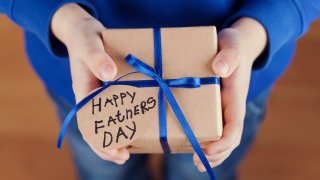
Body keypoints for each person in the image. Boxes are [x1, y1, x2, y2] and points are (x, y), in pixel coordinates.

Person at [1, 1, 319, 179]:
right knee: (104, 171)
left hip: (231, 81)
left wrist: (260, 29)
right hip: (87, 80)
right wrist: (63, 19)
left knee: (200, 173)